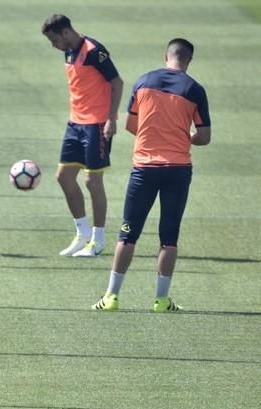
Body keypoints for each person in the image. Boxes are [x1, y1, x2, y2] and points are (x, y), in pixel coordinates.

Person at [92, 38, 211, 312]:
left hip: (144, 169)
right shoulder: (194, 89)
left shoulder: (143, 81)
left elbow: (133, 125)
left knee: (127, 233)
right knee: (169, 237)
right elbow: (204, 136)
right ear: (189, 60)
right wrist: (186, 137)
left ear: (166, 56)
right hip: (178, 170)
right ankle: (161, 300)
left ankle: (111, 296)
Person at [42, 14, 124, 257]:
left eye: (54, 39)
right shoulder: (68, 51)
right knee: (64, 177)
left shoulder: (94, 51)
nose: (53, 45)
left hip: (96, 125)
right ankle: (82, 233)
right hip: (75, 124)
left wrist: (111, 119)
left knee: (92, 181)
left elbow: (117, 82)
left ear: (66, 32)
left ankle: (98, 240)